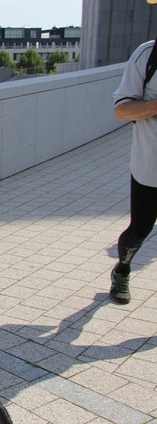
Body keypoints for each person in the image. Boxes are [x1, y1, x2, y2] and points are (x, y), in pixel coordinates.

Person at [111, 37, 157, 304]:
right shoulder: (147, 55)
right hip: (149, 168)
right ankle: (122, 270)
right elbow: (122, 110)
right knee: (139, 230)